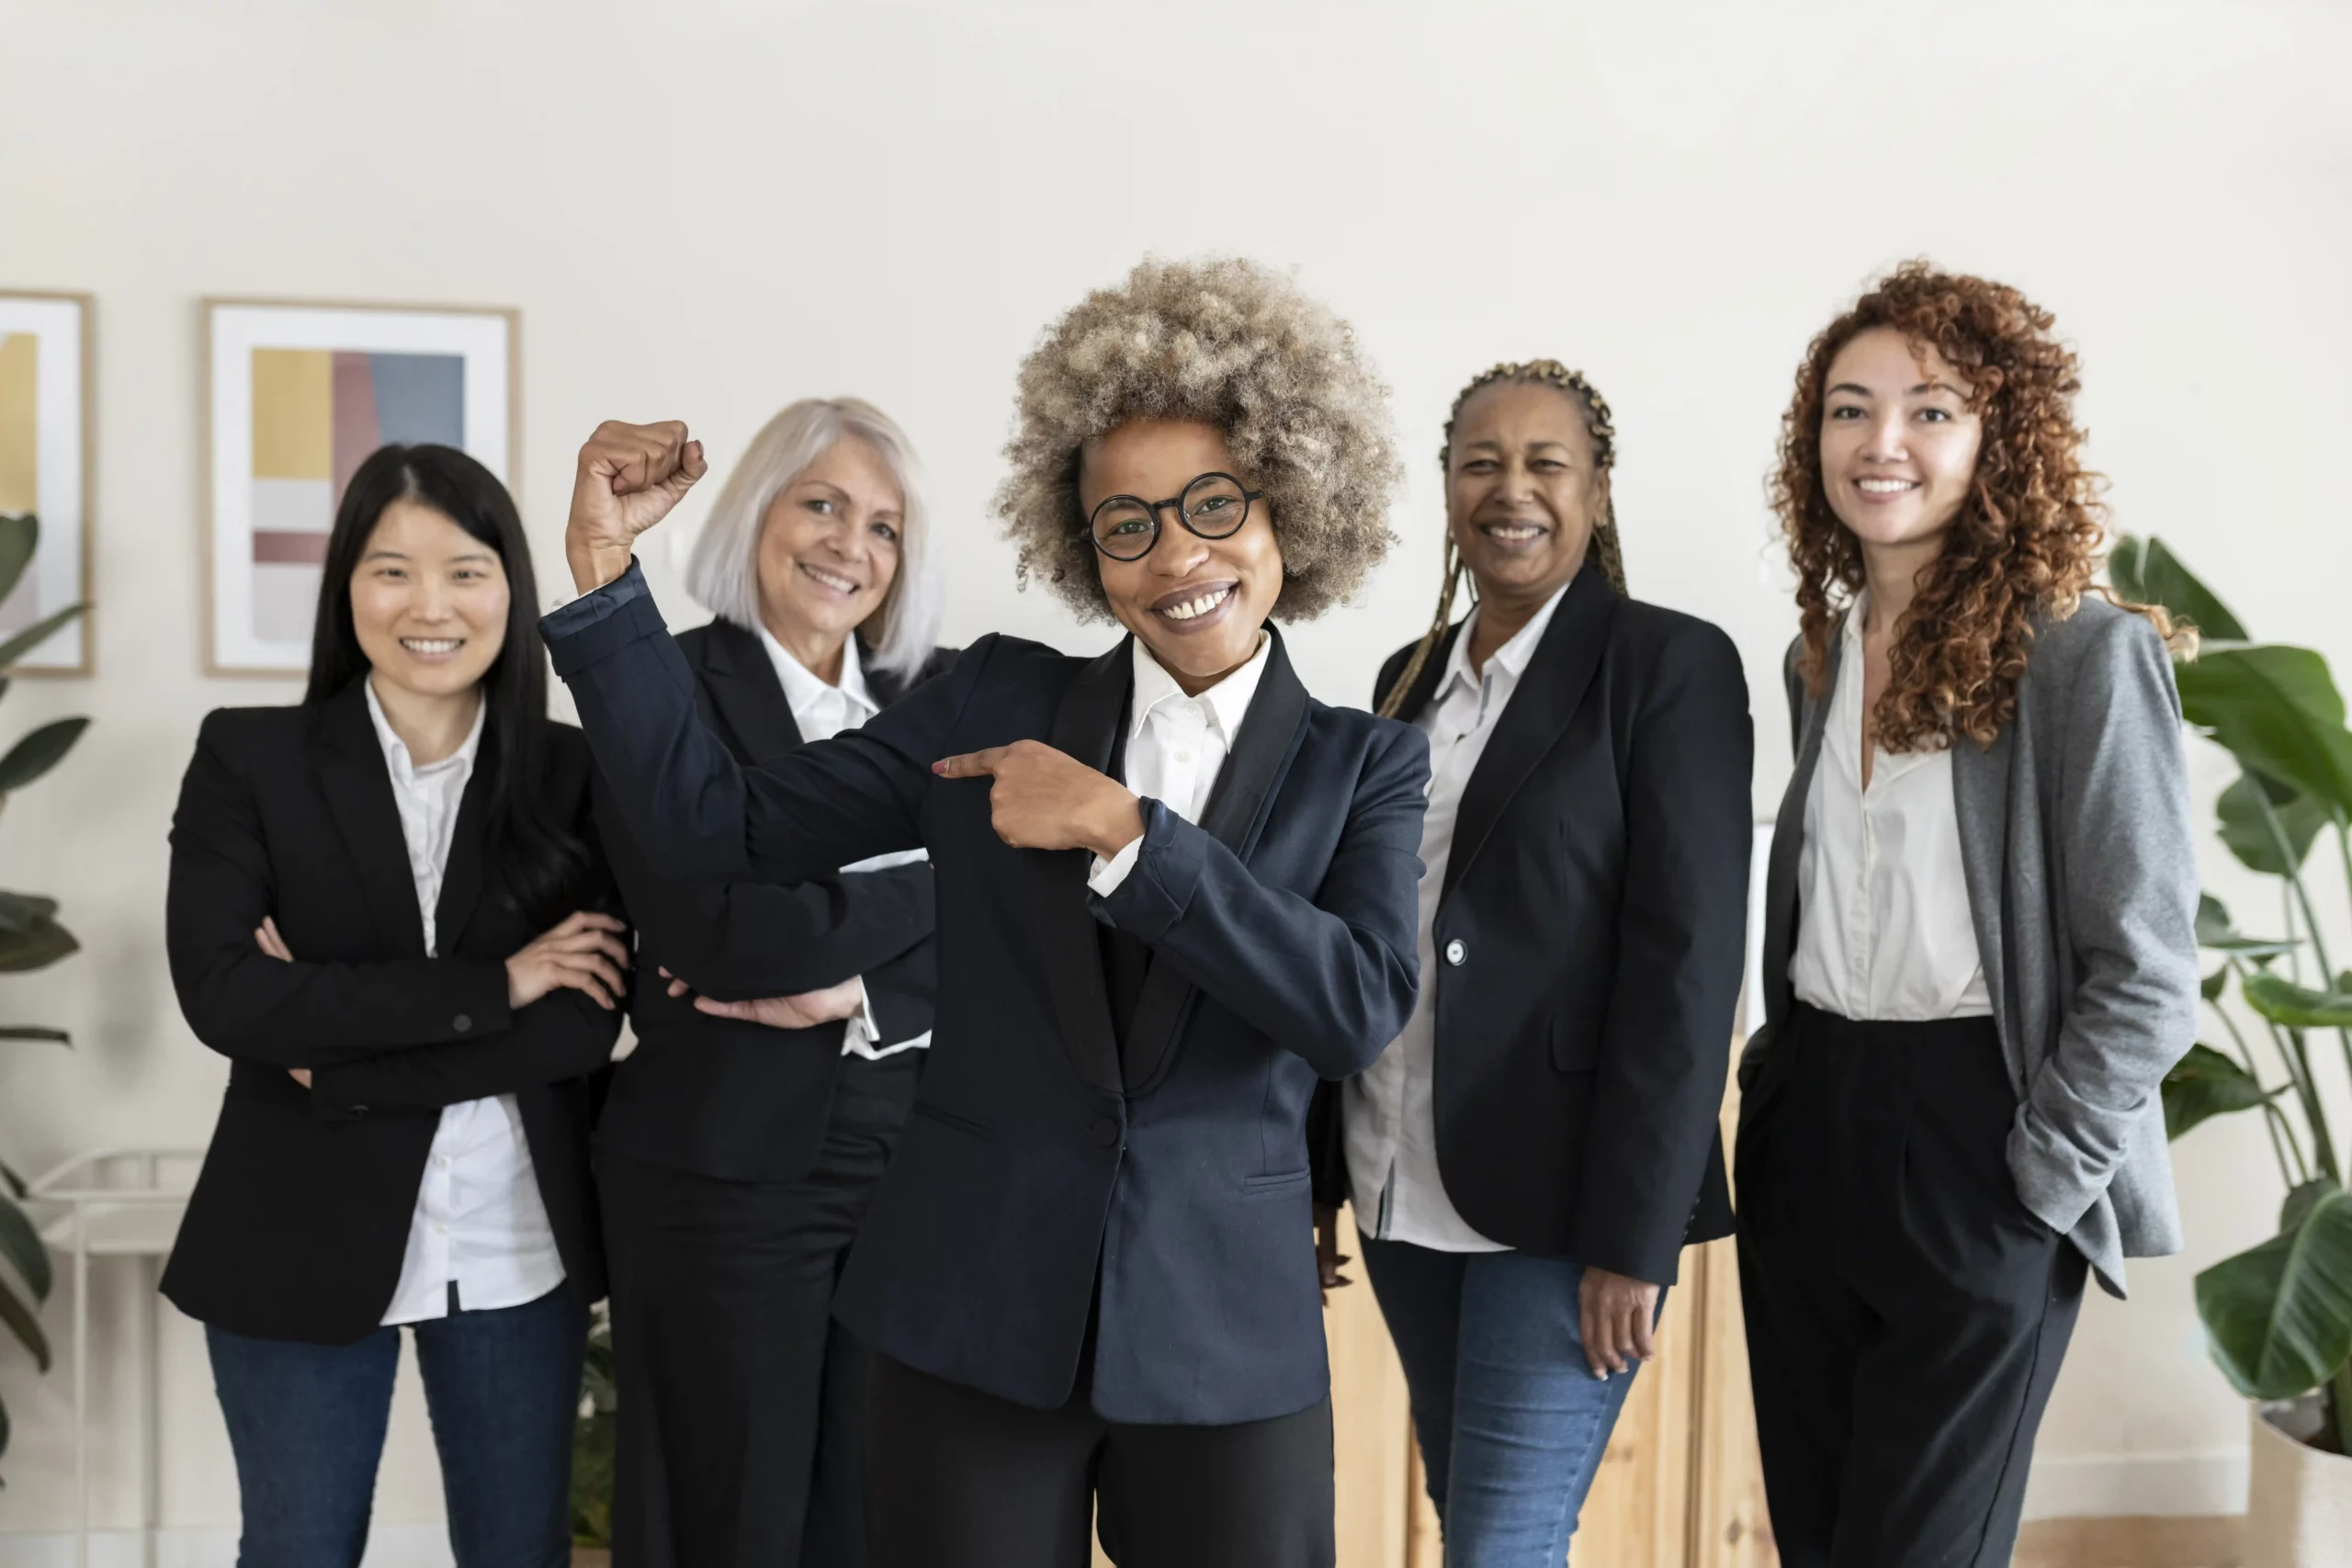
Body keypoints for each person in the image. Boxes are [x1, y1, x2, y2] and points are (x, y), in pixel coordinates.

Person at [539, 256, 1424, 1568]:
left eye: (1213, 504)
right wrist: (607, 571)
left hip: (1226, 1337)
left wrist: (1129, 834)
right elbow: (719, 833)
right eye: (1126, 523)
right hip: (969, 1317)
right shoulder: (995, 699)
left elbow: (1353, 1003)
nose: (1175, 553)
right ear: (1086, 547)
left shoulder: (1367, 761)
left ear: (1289, 503)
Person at [1736, 264, 2199, 1566]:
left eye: (1931, 409)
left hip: (1981, 1135)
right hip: (1811, 1116)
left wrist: (2040, 1179)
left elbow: (2151, 969)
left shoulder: (2084, 656)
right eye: (1848, 408)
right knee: (1820, 1541)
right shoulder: (1818, 654)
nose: (1882, 442)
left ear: (2002, 439)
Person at [1311, 360, 1751, 1564]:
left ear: (1598, 491)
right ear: (1449, 487)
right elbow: (1349, 932)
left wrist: (1634, 1235)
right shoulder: (1401, 678)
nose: (1513, 488)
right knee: (1483, 1520)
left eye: (1546, 462)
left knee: (1500, 1542)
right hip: (1401, 1178)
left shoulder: (1667, 667)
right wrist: (1315, 1171)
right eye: (1481, 461)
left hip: (1561, 1210)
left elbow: (1688, 966)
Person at [163, 444, 628, 1568]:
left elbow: (580, 1025)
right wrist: (499, 985)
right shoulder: (249, 759)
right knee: (299, 1549)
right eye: (391, 570)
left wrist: (339, 1053)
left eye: (465, 570)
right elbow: (228, 996)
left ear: (510, 590)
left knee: (517, 1551)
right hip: (297, 1234)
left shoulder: (576, 775)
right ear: (346, 590)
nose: (430, 606)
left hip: (518, 1248)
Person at [592, 397, 954, 1568]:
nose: (854, 544)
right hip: (722, 1172)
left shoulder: (945, 704)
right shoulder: (671, 688)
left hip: (916, 1170)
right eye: (824, 504)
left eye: (887, 527)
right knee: (730, 1513)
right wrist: (944, 879)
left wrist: (857, 981)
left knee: (883, 1506)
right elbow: (714, 926)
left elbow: (1031, 932)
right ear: (756, 513)